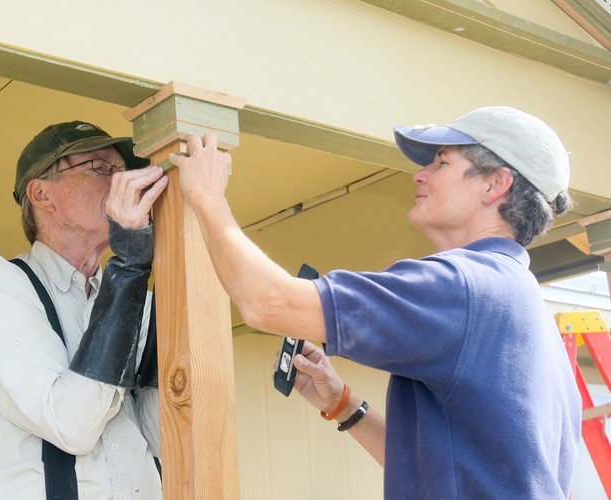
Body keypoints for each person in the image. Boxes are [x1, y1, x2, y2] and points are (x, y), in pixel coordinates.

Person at [170, 106, 582, 498]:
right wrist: (345, 406)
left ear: (495, 184)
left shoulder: (461, 286)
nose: (421, 176)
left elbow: (268, 304)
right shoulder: (525, 308)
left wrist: (207, 196)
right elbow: (445, 473)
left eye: (441, 163)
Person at [0, 120, 169, 499]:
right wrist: (131, 264)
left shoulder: (132, 298)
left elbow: (163, 442)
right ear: (41, 194)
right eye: (100, 168)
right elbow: (70, 425)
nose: (121, 182)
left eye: (123, 171)